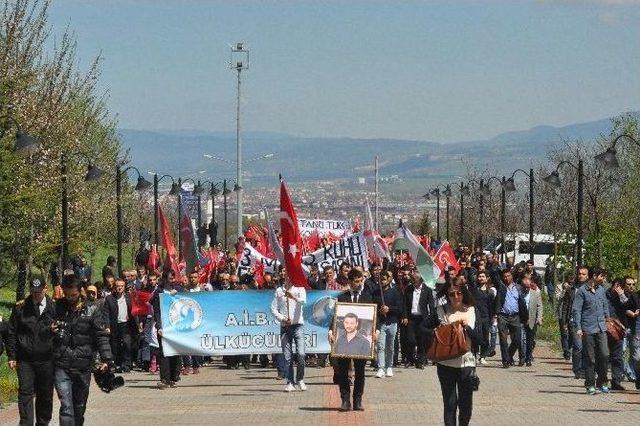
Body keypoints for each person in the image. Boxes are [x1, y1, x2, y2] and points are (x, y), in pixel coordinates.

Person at [52, 277, 112, 426]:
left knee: (79, 407)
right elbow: (44, 329)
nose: (70, 298)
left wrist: (106, 358)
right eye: (67, 295)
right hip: (62, 363)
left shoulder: (92, 309)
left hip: (83, 364)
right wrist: (49, 330)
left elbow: (101, 335)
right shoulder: (56, 308)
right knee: (66, 406)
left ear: (80, 291)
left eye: (73, 295)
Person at [7, 278, 55, 426]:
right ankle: (26, 423)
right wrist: (12, 356)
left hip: (47, 358)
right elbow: (11, 332)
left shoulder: (54, 307)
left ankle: (43, 422)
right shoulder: (21, 308)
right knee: (25, 393)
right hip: (25, 358)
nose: (36, 295)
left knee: (45, 394)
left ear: (45, 289)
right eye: (33, 292)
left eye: (39, 292)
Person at [434, 277, 482, 426]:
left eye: (459, 293)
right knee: (450, 404)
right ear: (447, 295)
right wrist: (435, 332)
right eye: (451, 294)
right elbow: (423, 328)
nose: (455, 297)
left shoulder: (472, 311)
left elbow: (481, 340)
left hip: (466, 365)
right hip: (445, 365)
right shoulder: (441, 311)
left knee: (465, 406)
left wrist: (467, 327)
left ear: (464, 293)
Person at [329, 268, 376, 412]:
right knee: (343, 371)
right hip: (344, 340)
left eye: (361, 280)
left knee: (360, 371)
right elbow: (335, 316)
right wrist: (331, 331)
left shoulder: (367, 297)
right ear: (349, 282)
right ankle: (345, 400)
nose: (359, 283)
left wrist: (376, 330)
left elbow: (374, 317)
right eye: (356, 281)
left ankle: (357, 400)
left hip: (361, 340)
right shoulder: (342, 297)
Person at [572, 267, 610, 394]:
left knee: (605, 355)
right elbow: (576, 310)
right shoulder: (582, 291)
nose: (603, 279)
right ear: (594, 276)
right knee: (590, 358)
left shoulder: (601, 290)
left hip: (601, 328)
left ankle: (602, 381)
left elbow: (605, 307)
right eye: (601, 276)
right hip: (588, 328)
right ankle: (590, 384)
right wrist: (578, 328)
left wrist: (608, 321)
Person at [270, 273, 307, 392]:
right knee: (287, 356)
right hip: (285, 327)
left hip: (298, 326)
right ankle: (290, 381)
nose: (289, 278)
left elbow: (303, 302)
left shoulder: (300, 288)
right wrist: (282, 318)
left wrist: (294, 297)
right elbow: (273, 308)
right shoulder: (279, 290)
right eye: (286, 276)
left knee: (301, 354)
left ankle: (300, 379)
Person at [152, 270, 181, 388]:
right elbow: (157, 311)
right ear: (164, 279)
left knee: (175, 352)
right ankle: (165, 379)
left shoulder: (179, 290)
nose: (172, 280)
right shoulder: (159, 292)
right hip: (164, 327)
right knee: (164, 353)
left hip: (177, 326)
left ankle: (173, 377)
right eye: (170, 278)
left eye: (173, 278)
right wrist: (159, 326)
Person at [403, 269, 436, 369]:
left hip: (422, 319)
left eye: (415, 279)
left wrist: (431, 319)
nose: (413, 281)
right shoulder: (408, 289)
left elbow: (431, 305)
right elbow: (405, 304)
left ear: (420, 280)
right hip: (411, 318)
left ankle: (420, 361)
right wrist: (405, 316)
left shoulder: (427, 290)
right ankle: (410, 359)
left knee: (421, 341)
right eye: (412, 279)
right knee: (410, 340)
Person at [373, 270, 404, 378]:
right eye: (380, 279)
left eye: (384, 279)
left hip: (393, 323)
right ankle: (381, 368)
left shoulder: (395, 292)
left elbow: (399, 308)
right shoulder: (376, 293)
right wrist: (379, 311)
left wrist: (389, 309)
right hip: (381, 323)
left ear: (389, 280)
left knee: (390, 346)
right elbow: (373, 308)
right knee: (381, 346)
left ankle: (389, 366)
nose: (382, 281)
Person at [495, 270, 528, 368]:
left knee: (517, 340)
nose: (506, 278)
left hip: (515, 316)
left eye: (508, 276)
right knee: (503, 339)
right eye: (504, 276)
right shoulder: (501, 287)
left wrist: (525, 317)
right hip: (503, 316)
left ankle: (509, 355)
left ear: (512, 276)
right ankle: (505, 361)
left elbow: (522, 303)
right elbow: (494, 275)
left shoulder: (518, 288)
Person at [104, 278, 136, 373]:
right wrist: (107, 326)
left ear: (124, 287)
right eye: (118, 286)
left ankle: (127, 364)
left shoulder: (129, 297)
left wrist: (138, 324)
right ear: (115, 287)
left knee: (127, 344)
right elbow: (106, 313)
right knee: (115, 345)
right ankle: (117, 364)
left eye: (122, 286)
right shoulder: (109, 298)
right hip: (115, 325)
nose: (120, 288)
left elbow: (134, 310)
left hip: (126, 324)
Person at [606, 278, 632, 390]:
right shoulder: (604, 294)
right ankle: (601, 379)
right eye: (615, 286)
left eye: (620, 286)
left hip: (618, 330)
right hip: (605, 328)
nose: (617, 288)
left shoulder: (624, 297)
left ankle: (616, 381)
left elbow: (629, 307)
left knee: (617, 357)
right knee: (603, 356)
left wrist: (622, 295)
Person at [468, 270, 495, 364]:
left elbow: (491, 307)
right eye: (479, 276)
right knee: (475, 336)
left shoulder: (490, 292)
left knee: (485, 337)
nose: (481, 278)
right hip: (475, 317)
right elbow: (470, 281)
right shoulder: (474, 290)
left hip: (486, 317)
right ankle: (474, 355)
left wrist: (492, 318)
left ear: (487, 278)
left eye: (483, 276)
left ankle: (483, 356)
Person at [522, 275, 543, 366]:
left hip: (532, 319)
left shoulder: (535, 293)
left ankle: (528, 358)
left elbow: (540, 306)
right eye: (524, 287)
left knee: (530, 340)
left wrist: (539, 318)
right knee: (521, 340)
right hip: (521, 319)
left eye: (528, 286)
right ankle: (521, 357)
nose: (526, 288)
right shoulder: (519, 294)